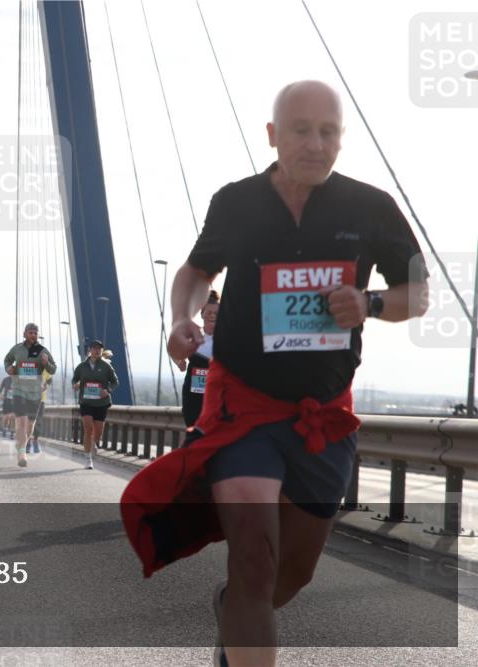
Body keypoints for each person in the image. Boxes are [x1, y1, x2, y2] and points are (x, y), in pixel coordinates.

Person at [122, 80, 429, 667]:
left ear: (342, 139)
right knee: (255, 562)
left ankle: (232, 609)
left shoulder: (371, 208)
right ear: (272, 136)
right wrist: (182, 318)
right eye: (301, 130)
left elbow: (418, 294)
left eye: (329, 132)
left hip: (322, 418)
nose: (316, 144)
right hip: (245, 409)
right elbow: (194, 270)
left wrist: (371, 305)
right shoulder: (236, 202)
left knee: (290, 575)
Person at [3, 323, 57, 466]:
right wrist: (8, 368)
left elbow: (53, 370)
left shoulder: (42, 350)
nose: (33, 335)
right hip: (19, 390)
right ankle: (22, 453)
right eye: (31, 332)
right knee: (21, 422)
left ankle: (22, 444)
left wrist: (46, 363)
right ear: (25, 334)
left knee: (30, 425)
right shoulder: (17, 349)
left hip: (35, 393)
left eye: (35, 332)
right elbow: (7, 359)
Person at [72, 340, 119, 469]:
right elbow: (75, 379)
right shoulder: (82, 366)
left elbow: (115, 382)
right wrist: (75, 385)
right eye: (94, 348)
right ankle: (88, 459)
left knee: (97, 433)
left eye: (99, 349)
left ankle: (93, 443)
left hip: (101, 403)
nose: (97, 350)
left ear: (102, 351)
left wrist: (107, 390)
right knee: (88, 429)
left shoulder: (106, 366)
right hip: (86, 402)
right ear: (90, 350)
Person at [180, 291, 219, 429]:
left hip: (216, 393)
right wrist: (180, 361)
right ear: (202, 314)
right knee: (194, 428)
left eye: (216, 313)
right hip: (193, 394)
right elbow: (175, 350)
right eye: (209, 313)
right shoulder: (193, 336)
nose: (212, 316)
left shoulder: (226, 339)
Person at [0, 374, 15, 439]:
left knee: (13, 417)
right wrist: (1, 395)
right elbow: (0, 390)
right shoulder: (6, 379)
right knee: (6, 417)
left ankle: (12, 433)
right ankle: (4, 429)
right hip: (6, 400)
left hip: (15, 401)